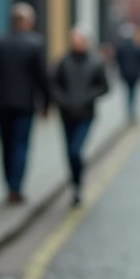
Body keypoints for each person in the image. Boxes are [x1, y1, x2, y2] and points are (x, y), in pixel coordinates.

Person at [0, 2, 49, 205]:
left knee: (6, 145)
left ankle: (9, 184)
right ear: (28, 21)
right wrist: (46, 103)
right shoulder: (35, 43)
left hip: (1, 103)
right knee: (21, 146)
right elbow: (42, 77)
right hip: (25, 104)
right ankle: (16, 188)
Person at [51, 26, 110, 206]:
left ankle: (78, 184)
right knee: (69, 152)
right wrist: (61, 100)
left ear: (85, 42)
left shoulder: (96, 62)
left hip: (86, 114)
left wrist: (88, 96)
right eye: (73, 40)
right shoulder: (63, 61)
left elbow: (105, 87)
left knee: (76, 150)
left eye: (79, 40)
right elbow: (54, 84)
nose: (76, 43)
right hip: (66, 114)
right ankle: (75, 185)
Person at [112, 22, 140, 122]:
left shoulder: (121, 48)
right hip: (134, 75)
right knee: (133, 93)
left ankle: (130, 112)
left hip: (126, 74)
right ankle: (132, 112)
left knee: (128, 93)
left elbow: (117, 61)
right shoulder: (137, 47)